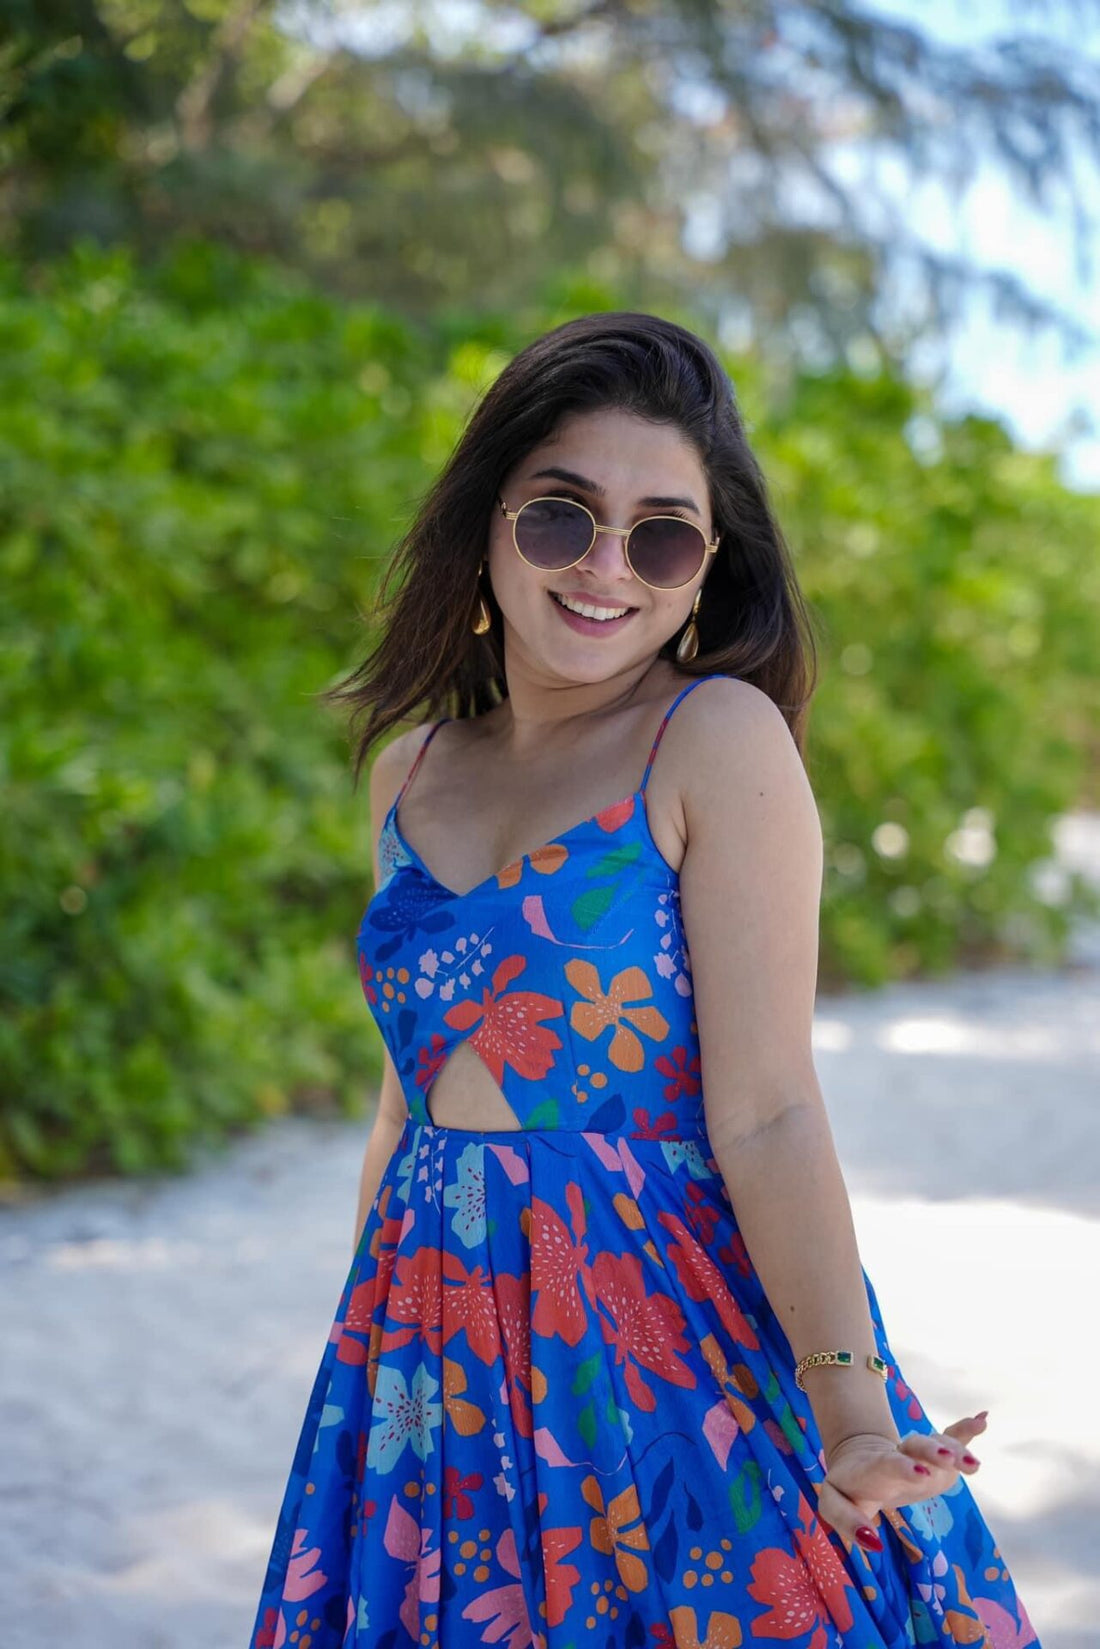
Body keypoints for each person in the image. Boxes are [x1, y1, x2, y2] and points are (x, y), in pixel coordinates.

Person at [248, 314, 1040, 1648]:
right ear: (486, 521)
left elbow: (772, 1107)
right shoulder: (409, 772)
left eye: (660, 534)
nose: (607, 565)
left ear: (704, 567)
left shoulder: (710, 737)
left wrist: (851, 1415)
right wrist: (370, 1375)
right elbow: (407, 1109)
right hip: (428, 1348)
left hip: (657, 1337)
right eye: (562, 517)